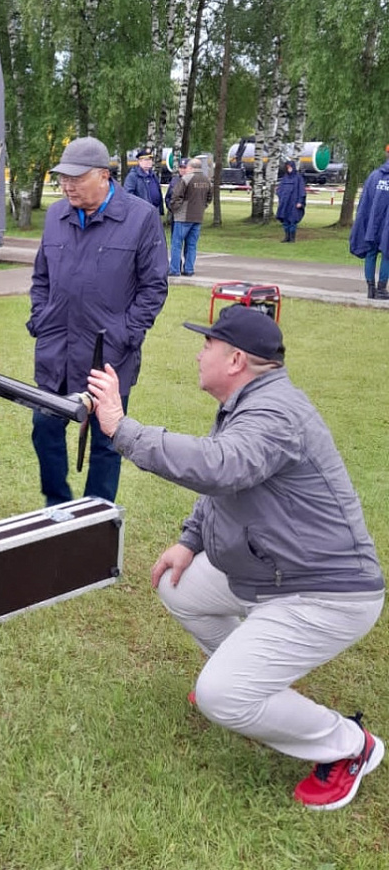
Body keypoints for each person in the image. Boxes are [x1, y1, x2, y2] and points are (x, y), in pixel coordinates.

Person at [86, 304, 385, 811]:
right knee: (178, 585)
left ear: (236, 360)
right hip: (276, 573)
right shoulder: (249, 403)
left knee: (220, 696)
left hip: (326, 593)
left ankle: (350, 745)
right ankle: (250, 682)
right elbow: (229, 484)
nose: (199, 353)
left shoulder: (275, 413)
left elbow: (220, 466)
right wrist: (190, 540)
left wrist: (121, 428)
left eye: (208, 344)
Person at [28, 136, 168, 505]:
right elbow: (41, 277)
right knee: (44, 427)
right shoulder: (56, 216)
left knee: (107, 441)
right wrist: (40, 317)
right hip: (56, 350)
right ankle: (57, 507)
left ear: (104, 175)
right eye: (64, 178)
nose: (68, 186)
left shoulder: (141, 218)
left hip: (108, 356)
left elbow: (154, 287)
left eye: (77, 178)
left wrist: (126, 333)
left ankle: (96, 516)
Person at [350, 146, 389, 300]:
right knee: (387, 254)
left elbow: (364, 203)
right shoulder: (374, 175)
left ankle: (371, 289)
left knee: (371, 253)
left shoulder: (374, 176)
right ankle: (381, 289)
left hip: (373, 224)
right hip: (386, 225)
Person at [168, 157, 213, 276]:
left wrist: (175, 210)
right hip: (198, 217)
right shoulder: (206, 180)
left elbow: (176, 196)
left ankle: (174, 269)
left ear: (191, 167)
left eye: (187, 167)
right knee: (192, 245)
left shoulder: (186, 179)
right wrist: (202, 207)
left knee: (177, 244)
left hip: (183, 217)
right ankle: (189, 269)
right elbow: (209, 198)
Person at [122, 147, 164, 216]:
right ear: (139, 161)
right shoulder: (133, 176)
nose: (148, 162)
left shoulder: (153, 175)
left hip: (155, 211)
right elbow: (128, 196)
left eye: (150, 159)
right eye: (146, 160)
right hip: (141, 213)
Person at [275, 159, 306, 244]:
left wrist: (300, 201)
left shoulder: (298, 178)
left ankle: (292, 238)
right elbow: (279, 189)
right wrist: (280, 195)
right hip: (285, 203)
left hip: (294, 203)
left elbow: (301, 191)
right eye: (287, 167)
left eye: (290, 167)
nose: (289, 169)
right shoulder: (285, 178)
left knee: (292, 220)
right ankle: (286, 237)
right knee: (285, 220)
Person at [164, 156, 189, 240]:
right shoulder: (174, 180)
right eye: (181, 167)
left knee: (189, 242)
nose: (182, 170)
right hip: (176, 216)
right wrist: (171, 207)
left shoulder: (193, 181)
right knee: (175, 240)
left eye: (185, 168)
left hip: (188, 216)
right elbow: (168, 197)